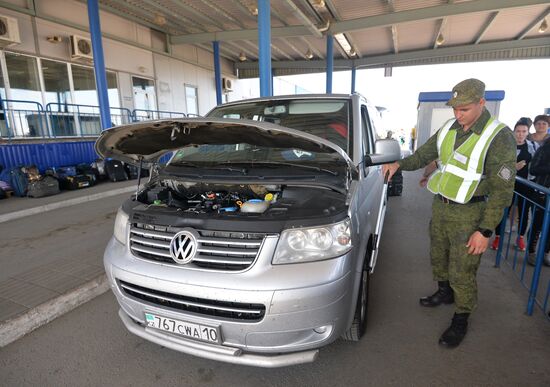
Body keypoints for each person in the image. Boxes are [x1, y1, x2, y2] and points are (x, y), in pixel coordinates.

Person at [382, 78, 516, 348]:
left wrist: (486, 230)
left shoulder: (498, 136)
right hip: (441, 206)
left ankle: (461, 316)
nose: (458, 114)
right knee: (438, 255)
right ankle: (445, 292)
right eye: (455, 108)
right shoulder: (449, 128)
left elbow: (503, 190)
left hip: (471, 213)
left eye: (464, 109)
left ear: (481, 103)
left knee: (463, 269)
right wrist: (399, 164)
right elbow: (423, 155)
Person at [490, 118, 537, 251]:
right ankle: (498, 237)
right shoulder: (505, 146)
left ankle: (520, 238)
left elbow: (536, 166)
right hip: (506, 185)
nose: (520, 134)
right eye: (518, 131)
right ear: (513, 131)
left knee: (523, 213)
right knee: (503, 211)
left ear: (528, 132)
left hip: (526, 186)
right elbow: (496, 167)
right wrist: (513, 168)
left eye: (524, 131)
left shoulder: (533, 147)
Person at [527, 136, 550, 266]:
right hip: (542, 192)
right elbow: (533, 169)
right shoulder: (543, 149)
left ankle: (546, 252)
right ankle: (532, 252)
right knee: (537, 224)